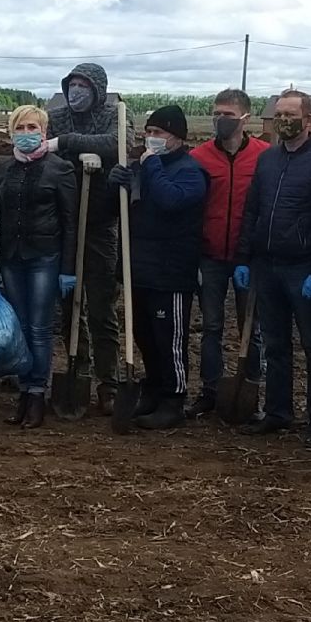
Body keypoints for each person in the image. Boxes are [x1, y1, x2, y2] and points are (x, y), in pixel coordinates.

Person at [233, 89, 311, 446]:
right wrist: (244, 257)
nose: (283, 120)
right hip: (267, 264)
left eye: (290, 114)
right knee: (275, 344)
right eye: (279, 113)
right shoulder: (268, 160)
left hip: (304, 265)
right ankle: (278, 411)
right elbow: (253, 210)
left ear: (308, 120)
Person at [110, 105, 208, 429]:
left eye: (159, 134)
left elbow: (170, 200)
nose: (151, 139)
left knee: (169, 339)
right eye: (148, 133)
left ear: (177, 138)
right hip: (140, 267)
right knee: (144, 334)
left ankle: (174, 398)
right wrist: (118, 183)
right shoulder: (141, 168)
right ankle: (152, 388)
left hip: (172, 271)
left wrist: (150, 166)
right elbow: (125, 209)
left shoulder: (190, 171)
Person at [39, 64, 126, 416]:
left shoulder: (114, 113)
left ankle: (110, 382)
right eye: (72, 84)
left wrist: (70, 144)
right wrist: (62, 146)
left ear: (97, 89)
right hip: (63, 220)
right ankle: (80, 370)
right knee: (69, 306)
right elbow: (43, 149)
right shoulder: (55, 116)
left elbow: (118, 144)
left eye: (83, 85)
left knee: (102, 307)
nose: (76, 91)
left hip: (101, 221)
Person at [0, 104, 78, 428]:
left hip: (44, 256)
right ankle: (23, 391)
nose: (27, 134)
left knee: (40, 329)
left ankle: (37, 395)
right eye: (21, 128)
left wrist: (67, 268)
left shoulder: (59, 169)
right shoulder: (5, 168)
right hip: (12, 257)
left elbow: (70, 222)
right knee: (20, 326)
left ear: (45, 132)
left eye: (34, 128)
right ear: (12, 131)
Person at [192, 89, 269, 416]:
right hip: (209, 255)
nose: (220, 119)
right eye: (216, 113)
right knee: (211, 326)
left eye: (227, 114)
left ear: (244, 118)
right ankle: (209, 389)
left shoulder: (265, 156)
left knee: (250, 326)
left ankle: (250, 387)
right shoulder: (199, 157)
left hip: (247, 257)